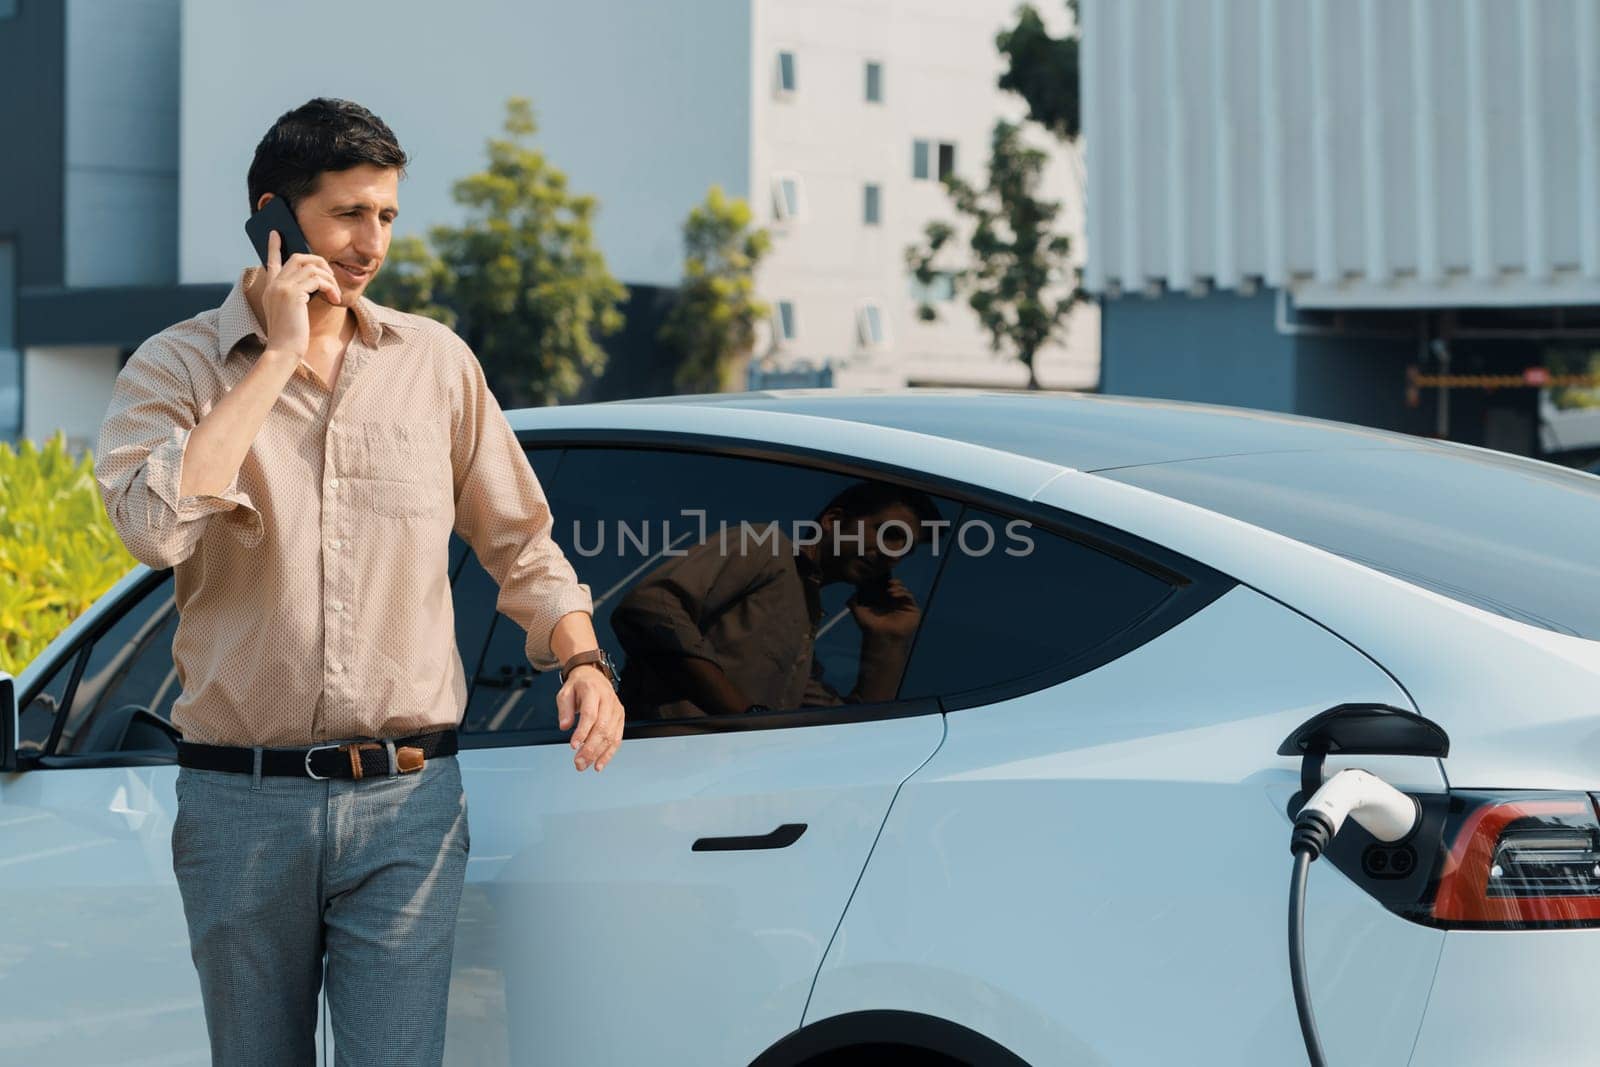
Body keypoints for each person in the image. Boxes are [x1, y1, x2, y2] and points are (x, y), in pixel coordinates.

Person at [94, 98, 625, 1067]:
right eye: (347, 214)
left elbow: (522, 541)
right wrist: (278, 358)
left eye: (384, 214)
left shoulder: (435, 364)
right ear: (274, 217)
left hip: (408, 801)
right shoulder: (173, 369)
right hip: (238, 807)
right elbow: (151, 529)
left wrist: (580, 654)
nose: (371, 242)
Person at [611, 481, 939, 719]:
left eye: (904, 550)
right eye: (889, 534)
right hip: (655, 763)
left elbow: (849, 731)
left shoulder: (805, 623)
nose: (891, 555)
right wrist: (743, 716)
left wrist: (888, 640)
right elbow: (650, 608)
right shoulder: (766, 547)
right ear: (834, 521)